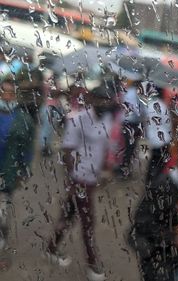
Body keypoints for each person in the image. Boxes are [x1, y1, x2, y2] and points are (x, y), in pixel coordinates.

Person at [44, 79, 119, 281]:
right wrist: (72, 179)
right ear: (92, 99)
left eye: (107, 99)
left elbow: (107, 147)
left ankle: (51, 247)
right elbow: (68, 150)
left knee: (68, 215)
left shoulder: (108, 120)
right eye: (100, 98)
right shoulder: (79, 119)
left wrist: (106, 170)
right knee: (88, 222)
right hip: (79, 177)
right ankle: (92, 265)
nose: (104, 103)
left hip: (93, 178)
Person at [0, 78, 40, 269]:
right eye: (3, 92)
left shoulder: (24, 120)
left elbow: (28, 148)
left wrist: (23, 171)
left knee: (2, 211)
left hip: (8, 174)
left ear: (15, 95)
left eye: (10, 92)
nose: (6, 96)